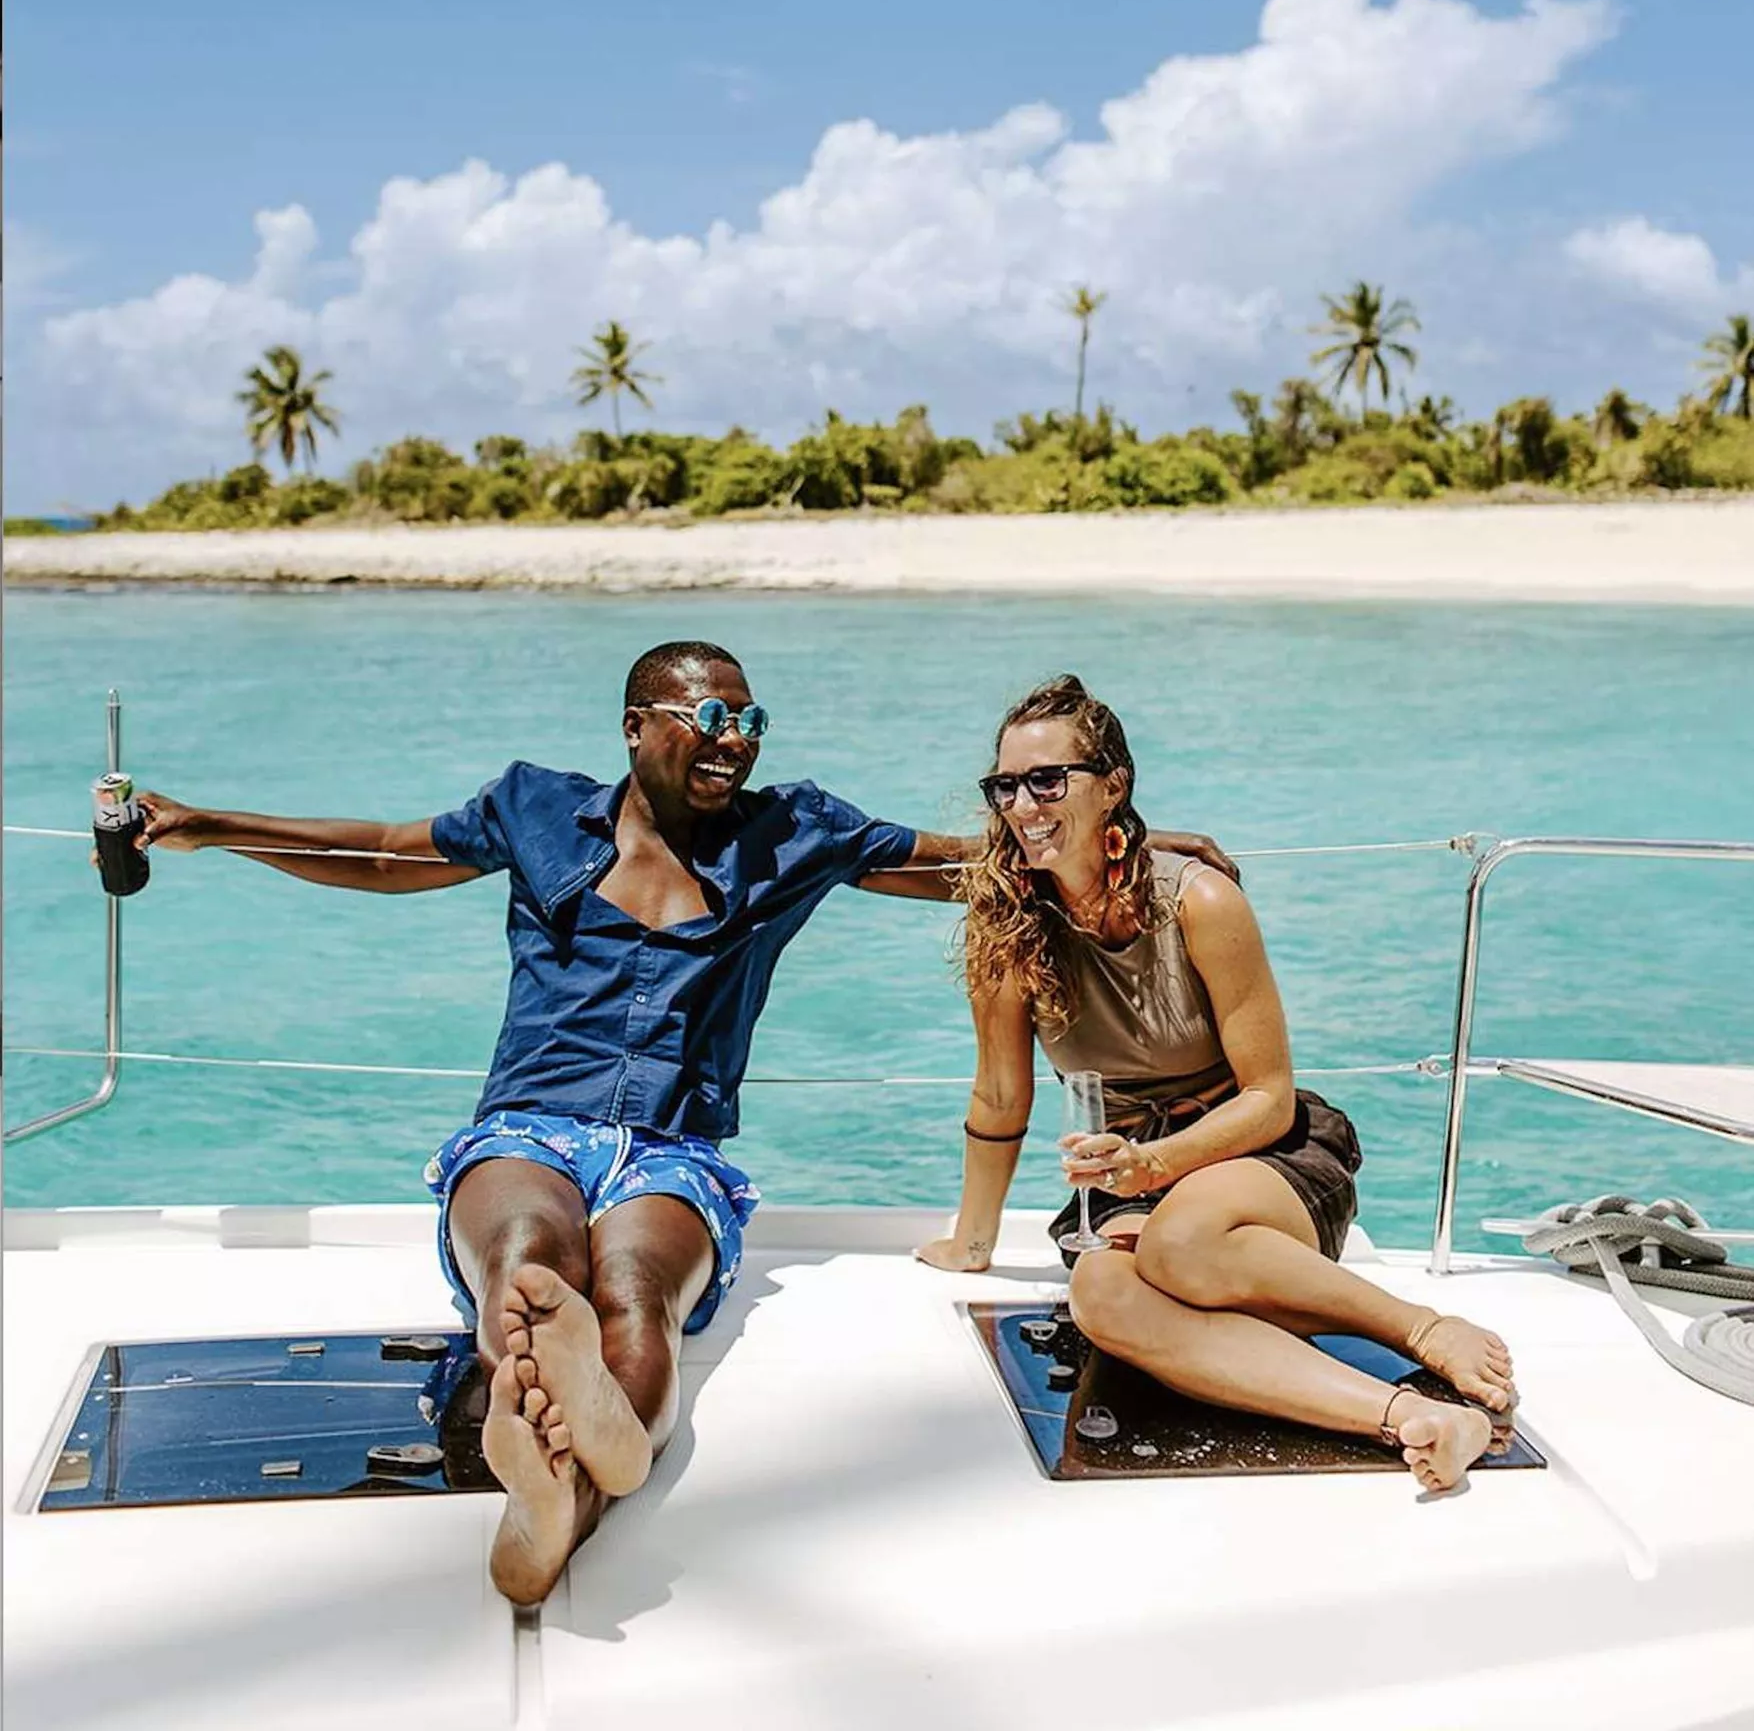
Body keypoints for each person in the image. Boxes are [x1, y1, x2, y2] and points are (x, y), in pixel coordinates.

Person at [133, 640, 1234, 1602]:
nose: (733, 741)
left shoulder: (792, 832)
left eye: (750, 721)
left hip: (672, 1153)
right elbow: (383, 851)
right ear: (636, 726)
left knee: (636, 1293)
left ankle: (559, 1482)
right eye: (709, 716)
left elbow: (961, 866)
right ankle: (568, 1455)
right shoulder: (534, 808)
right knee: (528, 1254)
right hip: (528, 1129)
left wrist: (1133, 841)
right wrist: (208, 825)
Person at [916, 674, 1516, 1494]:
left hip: (1260, 1152)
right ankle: (1408, 1416)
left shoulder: (1199, 899)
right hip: (1132, 1173)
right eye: (1006, 786)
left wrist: (1154, 1165)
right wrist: (973, 1240)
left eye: (1048, 781)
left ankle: (1422, 1330)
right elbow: (999, 1096)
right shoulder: (1009, 923)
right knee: (1100, 1294)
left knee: (1183, 1243)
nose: (1024, 805)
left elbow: (1269, 1096)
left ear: (1113, 785)